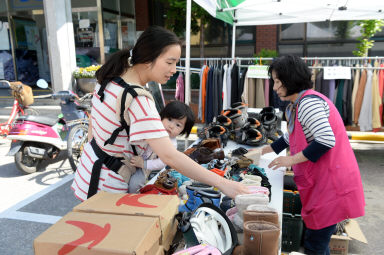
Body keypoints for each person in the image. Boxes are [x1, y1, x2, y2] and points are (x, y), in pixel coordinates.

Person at [71, 26, 249, 201]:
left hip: (88, 172)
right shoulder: (138, 99)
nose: (173, 70)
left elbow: (93, 125)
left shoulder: (110, 76)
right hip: (109, 188)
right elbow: (170, 156)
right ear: (148, 59)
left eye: (176, 63)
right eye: (169, 62)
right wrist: (223, 183)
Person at [262, 55, 365, 255]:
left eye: (277, 81)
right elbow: (290, 135)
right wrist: (264, 150)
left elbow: (326, 140)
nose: (274, 88)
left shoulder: (308, 104)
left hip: (331, 185)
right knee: (316, 240)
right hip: (322, 183)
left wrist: (289, 159)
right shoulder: (297, 104)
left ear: (290, 79)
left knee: (315, 244)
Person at [129, 100, 195, 181]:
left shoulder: (172, 144)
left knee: (135, 183)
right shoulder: (152, 127)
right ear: (162, 116)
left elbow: (162, 162)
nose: (171, 126)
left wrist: (144, 164)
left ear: (183, 130)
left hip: (145, 166)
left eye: (178, 125)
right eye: (169, 119)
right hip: (131, 156)